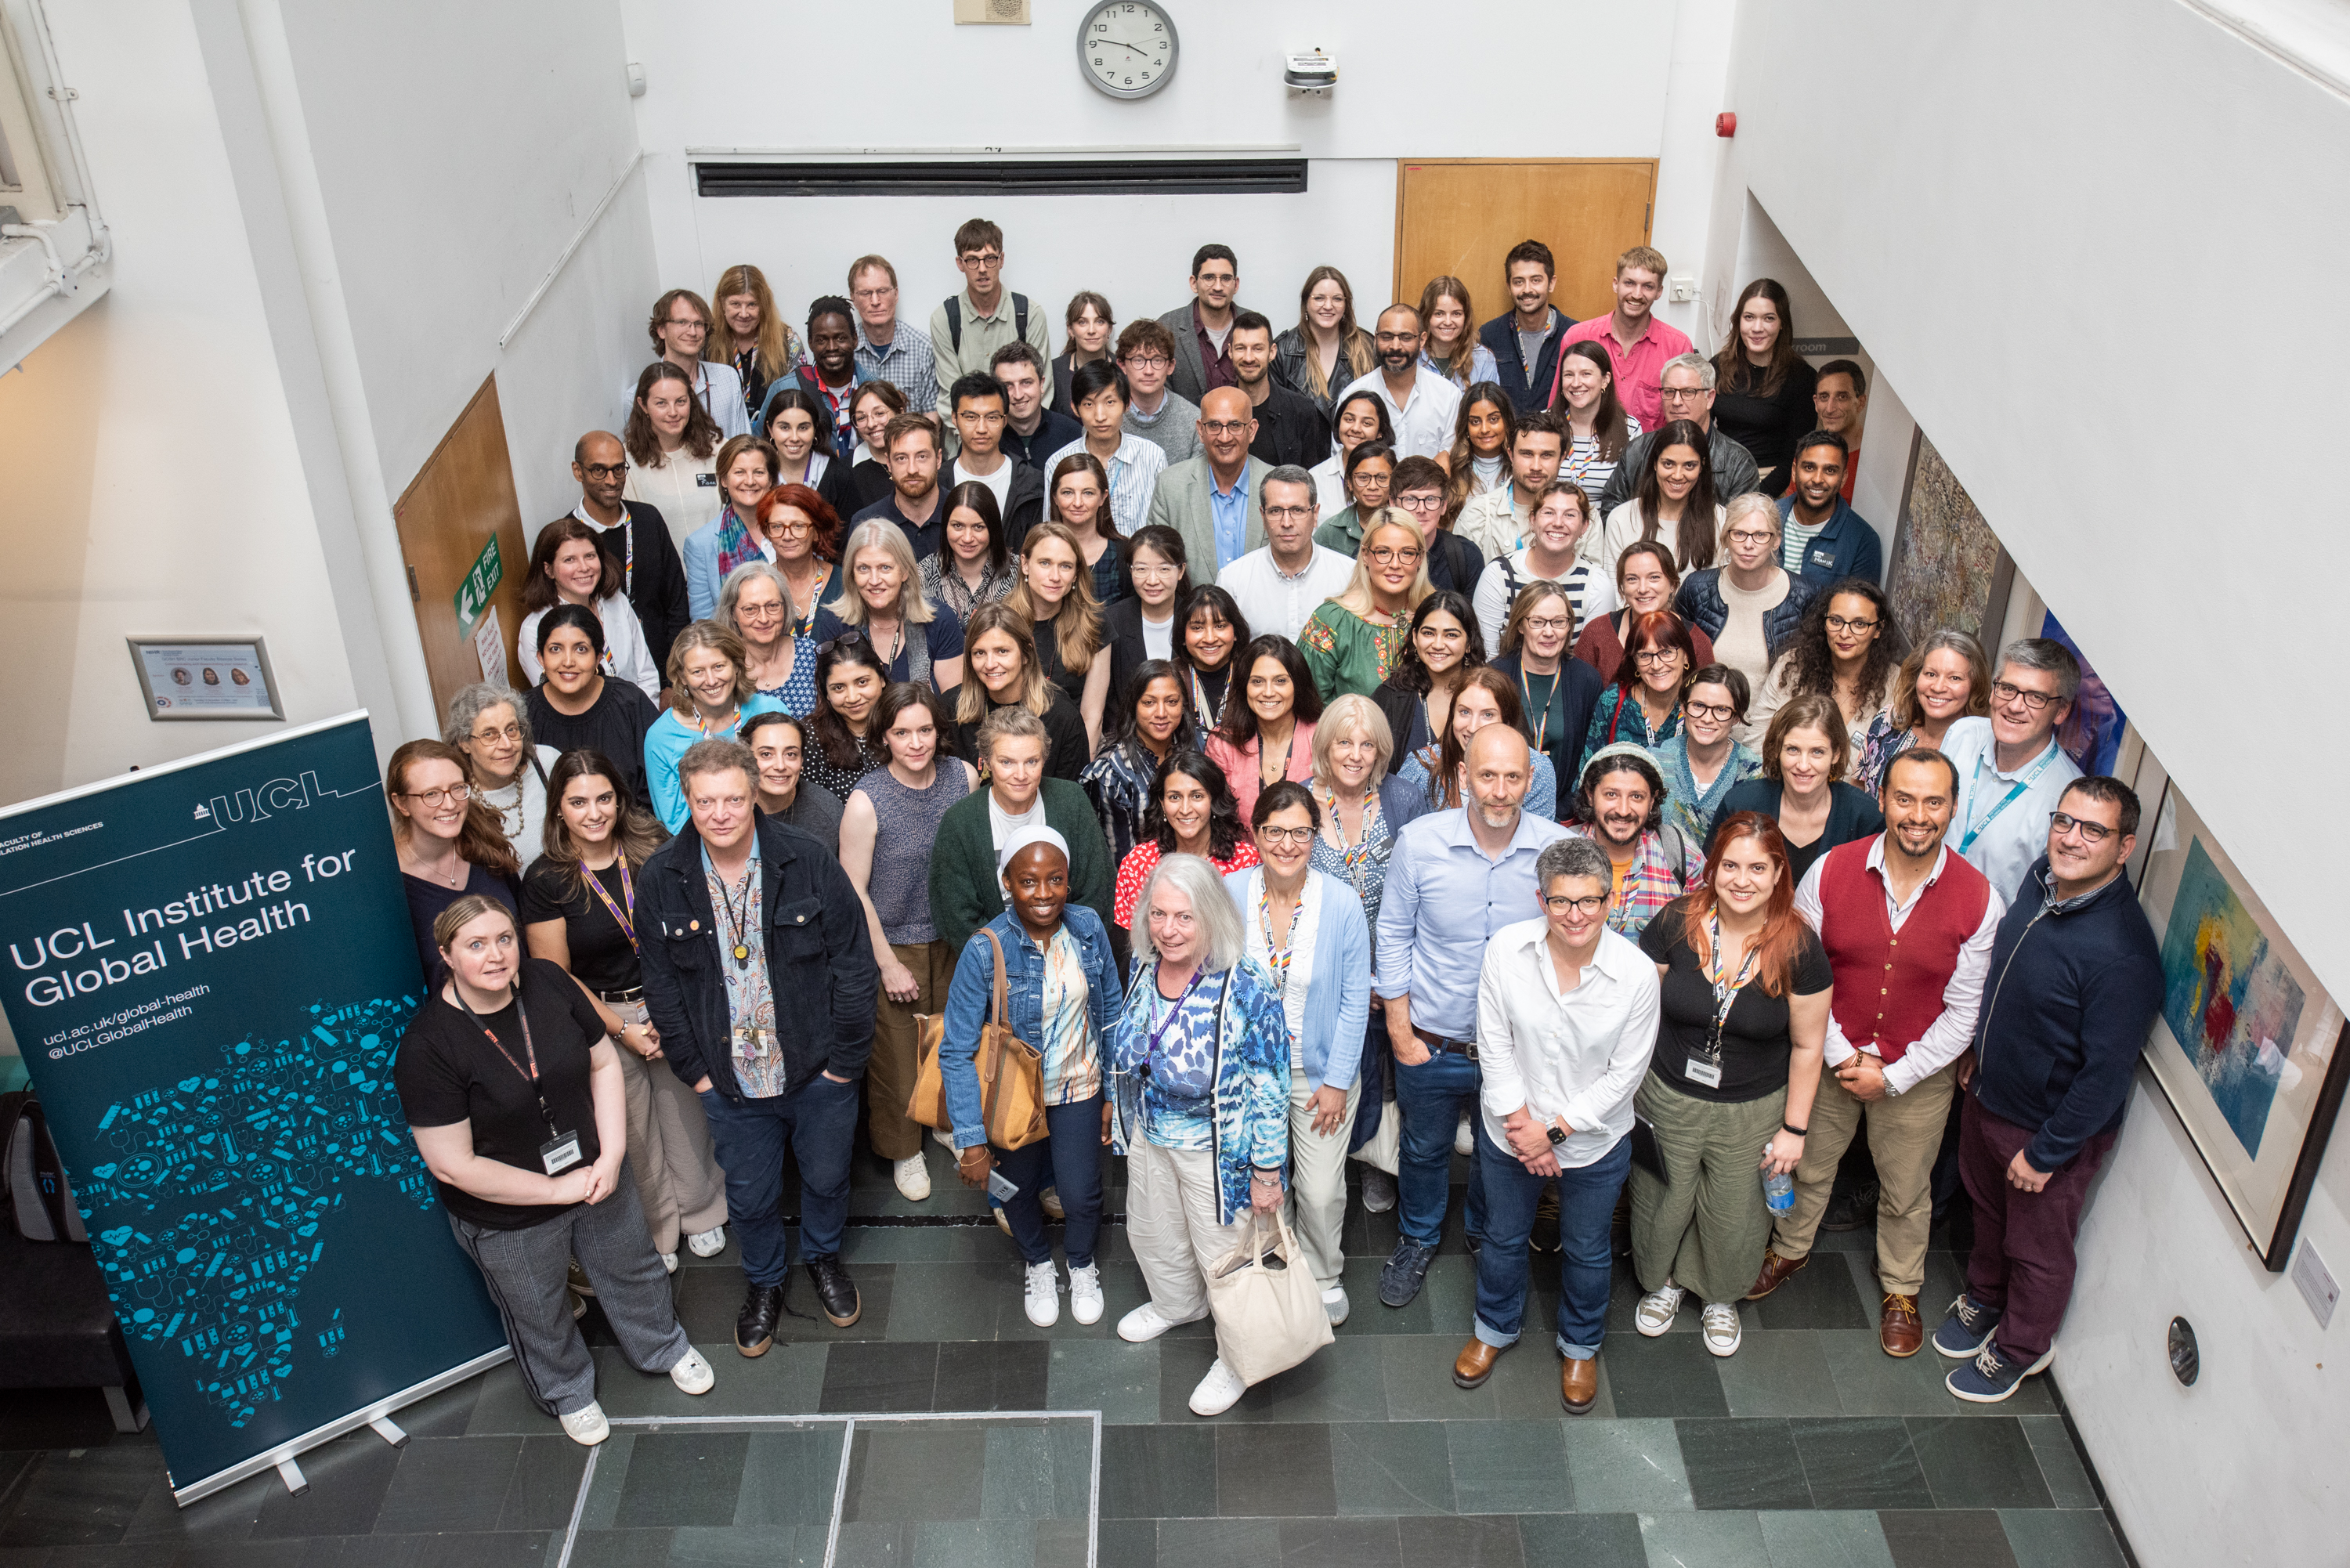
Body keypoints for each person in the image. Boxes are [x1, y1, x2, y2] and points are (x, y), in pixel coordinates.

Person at [396, 894, 712, 1447]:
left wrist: (611, 1155)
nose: (495, 956)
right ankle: (568, 1392)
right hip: (508, 1214)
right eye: (476, 945)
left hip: (596, 1175)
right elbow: (452, 1165)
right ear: (447, 955)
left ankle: (663, 1346)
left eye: (504, 939)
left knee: (634, 1268)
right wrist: (553, 1188)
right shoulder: (429, 1046)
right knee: (537, 1307)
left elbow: (602, 1061)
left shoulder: (548, 982)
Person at [1744, 748, 2003, 1357]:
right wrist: (1841, 1056)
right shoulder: (1829, 872)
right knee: (1807, 1166)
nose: (1919, 815)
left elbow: (1965, 1011)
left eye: (1934, 801)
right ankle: (1789, 1250)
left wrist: (1894, 1076)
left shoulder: (1980, 899)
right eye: (1906, 799)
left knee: (1907, 1189)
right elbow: (1802, 973)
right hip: (1828, 1057)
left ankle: (1901, 1287)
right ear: (1882, 798)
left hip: (1918, 1073)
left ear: (1952, 809)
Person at [637, 739, 878, 1349]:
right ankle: (766, 1281)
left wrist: (846, 1064)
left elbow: (853, 964)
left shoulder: (807, 859)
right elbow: (661, 984)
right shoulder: (663, 878)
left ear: (754, 797)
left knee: (826, 1179)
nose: (719, 813)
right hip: (728, 1081)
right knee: (750, 1196)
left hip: (817, 1070)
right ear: (686, 801)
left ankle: (823, 1259)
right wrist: (694, 1072)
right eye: (705, 801)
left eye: (732, 799)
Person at [1938, 777, 2157, 1402]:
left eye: (2094, 830)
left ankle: (2021, 1348)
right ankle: (1985, 1298)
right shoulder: (2042, 881)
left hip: (2043, 1130)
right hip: (1990, 1095)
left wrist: (2047, 1153)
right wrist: (1979, 1050)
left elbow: (2106, 1077)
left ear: (2125, 848)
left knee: (2036, 1249)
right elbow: (2010, 979)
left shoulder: (2122, 955)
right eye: (2065, 821)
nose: (2071, 838)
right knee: (1986, 1212)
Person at [1456, 836, 1657, 1410]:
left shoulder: (1637, 975)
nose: (1576, 916)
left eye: (1589, 902)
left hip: (1593, 1143)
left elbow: (1625, 1076)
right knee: (1502, 1237)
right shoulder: (1506, 950)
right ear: (1541, 900)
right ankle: (1494, 1328)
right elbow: (1493, 1044)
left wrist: (1556, 1133)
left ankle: (1580, 1345)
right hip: (1510, 1133)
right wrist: (1523, 1125)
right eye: (1562, 902)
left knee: (1588, 1249)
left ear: (1608, 901)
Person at [1374, 724, 1567, 1306]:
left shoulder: (1555, 850)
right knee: (1424, 1149)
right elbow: (1392, 933)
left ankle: (1488, 1236)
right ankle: (1418, 1237)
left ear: (1530, 780)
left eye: (1513, 777)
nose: (1501, 790)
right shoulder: (1419, 841)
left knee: (1498, 1154)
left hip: (1516, 1049)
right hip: (1431, 1040)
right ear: (1463, 778)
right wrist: (1399, 1030)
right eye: (1488, 775)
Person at [1628, 811, 1830, 1357]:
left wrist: (1795, 1128)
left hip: (1753, 1107)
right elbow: (1639, 1014)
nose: (1742, 880)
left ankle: (1718, 1295)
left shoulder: (1799, 949)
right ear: (1712, 869)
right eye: (1731, 866)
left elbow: (1810, 1047)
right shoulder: (1674, 924)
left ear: (1778, 874)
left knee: (1736, 1208)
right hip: (1668, 1094)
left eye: (1758, 868)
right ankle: (1664, 1282)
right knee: (1661, 1196)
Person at [522, 750, 730, 1272]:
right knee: (633, 1131)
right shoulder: (548, 879)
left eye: (604, 799)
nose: (593, 813)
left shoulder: (654, 850)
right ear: (558, 810)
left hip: (669, 1003)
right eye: (578, 802)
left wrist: (667, 1009)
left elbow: (693, 928)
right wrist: (622, 1029)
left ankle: (704, 1212)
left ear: (620, 800)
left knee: (687, 1117)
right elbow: (555, 973)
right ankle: (659, 1230)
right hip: (599, 1021)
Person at [1107, 850, 1295, 1416]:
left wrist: (1266, 1172)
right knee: (1155, 1232)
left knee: (1227, 1258)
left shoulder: (1245, 984)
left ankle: (1238, 1359)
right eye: (1159, 915)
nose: (1169, 929)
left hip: (1221, 1153)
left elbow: (1270, 1087)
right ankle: (1176, 1304)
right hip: (1152, 1136)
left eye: (1184, 917)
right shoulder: (1144, 964)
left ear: (1212, 916)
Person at [946, 826, 1124, 1326]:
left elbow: (1110, 1011)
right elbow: (956, 1052)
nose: (1043, 894)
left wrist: (1112, 1093)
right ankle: (1039, 1263)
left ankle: (1082, 1264)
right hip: (1012, 1098)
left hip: (1078, 1087)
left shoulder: (1088, 928)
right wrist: (972, 1141)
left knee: (1081, 1190)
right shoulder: (986, 949)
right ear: (1008, 882)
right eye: (1028, 881)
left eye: (1055, 880)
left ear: (1069, 882)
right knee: (1009, 1187)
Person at [1225, 782, 1372, 1323]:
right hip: (1247, 1072)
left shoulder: (1341, 902)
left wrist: (1337, 1081)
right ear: (1255, 834)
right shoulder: (1229, 890)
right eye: (1275, 831)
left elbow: (1357, 999)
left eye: (1301, 832)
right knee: (1257, 1177)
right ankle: (1273, 1259)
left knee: (1319, 1189)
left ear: (1316, 836)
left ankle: (1324, 1272)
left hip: (1319, 1075)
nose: (1287, 844)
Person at [837, 685, 978, 1202]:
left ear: (939, 731)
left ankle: (944, 1125)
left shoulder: (962, 777)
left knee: (952, 1045)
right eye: (902, 732)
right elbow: (853, 891)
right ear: (884, 737)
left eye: (925, 730)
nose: (915, 742)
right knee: (898, 1059)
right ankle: (904, 1150)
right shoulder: (867, 800)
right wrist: (887, 964)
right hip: (894, 942)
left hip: (954, 937)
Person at [1306, 695, 1429, 1214]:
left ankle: (1383, 1163)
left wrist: (1389, 978)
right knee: (1341, 1068)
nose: (1355, 754)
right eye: (1344, 742)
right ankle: (1345, 1155)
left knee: (1390, 1071)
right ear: (1324, 747)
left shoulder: (1401, 799)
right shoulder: (1298, 802)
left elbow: (1423, 894)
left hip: (1395, 968)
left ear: (1381, 749)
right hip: (1324, 973)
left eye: (1367, 743)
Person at [928, 706, 1117, 956]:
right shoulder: (960, 821)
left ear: (1044, 759)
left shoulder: (1071, 801)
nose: (1021, 775)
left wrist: (1064, 955)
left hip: (1070, 960)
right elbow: (955, 915)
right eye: (1007, 762)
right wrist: (1005, 963)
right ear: (986, 761)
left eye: (1031, 761)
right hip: (996, 969)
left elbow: (1097, 890)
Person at [1938, 638, 2084, 901]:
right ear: (1994, 691)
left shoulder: (2068, 798)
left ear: (2061, 711)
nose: (2015, 706)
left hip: (1984, 937)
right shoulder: (1963, 733)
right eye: (2008, 688)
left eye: (2036, 697)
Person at [1712, 695, 1887, 883]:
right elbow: (1711, 881)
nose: (1803, 765)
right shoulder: (1740, 804)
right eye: (1793, 749)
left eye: (1817, 752)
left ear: (1836, 754)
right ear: (1778, 749)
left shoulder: (1867, 818)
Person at [558, 431, 690, 675]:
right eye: (599, 470)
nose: (611, 480)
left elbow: (676, 600)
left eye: (619, 469)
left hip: (667, 666)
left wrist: (675, 677)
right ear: (578, 471)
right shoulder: (566, 540)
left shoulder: (648, 519)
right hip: (606, 676)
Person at [390, 739, 522, 982]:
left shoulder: (485, 843)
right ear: (401, 803)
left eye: (457, 788)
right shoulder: (389, 885)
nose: (450, 804)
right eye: (431, 794)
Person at [1672, 493, 1818, 704]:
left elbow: (1812, 675)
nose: (1748, 544)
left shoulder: (1805, 595)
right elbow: (1677, 664)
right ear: (1725, 537)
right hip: (1704, 724)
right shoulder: (1696, 589)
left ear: (1776, 541)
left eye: (1760, 535)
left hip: (1774, 730)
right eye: (1739, 533)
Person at [644, 622, 786, 832]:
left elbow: (793, 787)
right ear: (682, 677)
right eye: (697, 671)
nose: (711, 680)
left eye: (719, 666)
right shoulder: (661, 738)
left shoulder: (772, 713)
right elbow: (674, 827)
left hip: (778, 833)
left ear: (737, 666)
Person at [1748, 576, 1904, 761]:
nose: (1844, 634)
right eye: (1836, 621)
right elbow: (1755, 747)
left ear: (1878, 629)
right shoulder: (1791, 667)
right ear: (1824, 622)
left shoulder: (1897, 685)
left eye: (1859, 624)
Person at [1593, 353, 1763, 522]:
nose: (1676, 401)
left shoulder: (1738, 463)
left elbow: (1741, 531)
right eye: (1669, 392)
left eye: (1688, 392)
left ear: (1709, 398)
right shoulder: (1637, 450)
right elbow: (1612, 511)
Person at [526, 606, 663, 811]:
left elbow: (659, 787)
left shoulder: (630, 703)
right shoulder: (522, 714)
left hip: (631, 834)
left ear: (599, 656)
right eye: (555, 649)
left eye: (581, 649)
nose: (568, 662)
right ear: (540, 658)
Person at [1560, 744, 1706, 936]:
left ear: (1652, 801)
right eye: (1611, 795)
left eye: (1636, 797)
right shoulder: (1560, 853)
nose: (1623, 810)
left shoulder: (1683, 857)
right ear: (1590, 794)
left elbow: (1701, 941)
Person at [1112, 748, 1260, 929]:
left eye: (1197, 796)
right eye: (1174, 797)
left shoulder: (1247, 861)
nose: (1185, 809)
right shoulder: (1139, 863)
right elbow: (1135, 943)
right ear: (1162, 803)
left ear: (1213, 800)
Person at [812, 518, 966, 692]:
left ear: (905, 571)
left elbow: (952, 707)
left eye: (885, 567)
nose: (874, 580)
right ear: (851, 574)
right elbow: (830, 699)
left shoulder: (940, 620)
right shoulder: (836, 623)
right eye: (863, 568)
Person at [1083, 659, 1198, 886]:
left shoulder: (1197, 750)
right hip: (1139, 894)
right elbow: (1119, 866)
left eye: (1172, 702)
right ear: (1133, 706)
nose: (1161, 713)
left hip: (1197, 882)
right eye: (1149, 703)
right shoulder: (1112, 773)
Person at [1554, 245, 1693, 434]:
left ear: (1659, 292)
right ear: (1615, 284)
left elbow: (1684, 420)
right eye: (1629, 283)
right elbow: (1557, 408)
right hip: (1585, 457)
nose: (1637, 294)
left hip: (1649, 457)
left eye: (1648, 286)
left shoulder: (1678, 346)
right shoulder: (1578, 337)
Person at [1396, 664, 1560, 822]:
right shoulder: (1423, 767)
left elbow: (1538, 841)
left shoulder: (1536, 768)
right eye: (1465, 712)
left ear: (1507, 721)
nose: (1473, 727)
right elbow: (1402, 837)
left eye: (1487, 715)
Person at [518, 520, 663, 699]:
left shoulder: (617, 602)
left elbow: (646, 674)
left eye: (589, 556)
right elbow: (558, 701)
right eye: (570, 560)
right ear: (549, 570)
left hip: (639, 717)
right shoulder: (534, 630)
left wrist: (644, 721)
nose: (584, 567)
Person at [1491, 580, 1605, 806]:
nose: (1549, 632)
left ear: (1569, 626)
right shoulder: (1495, 676)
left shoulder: (1586, 680)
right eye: (1538, 622)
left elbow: (1592, 758)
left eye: (1558, 622)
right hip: (1501, 804)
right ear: (1521, 626)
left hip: (1565, 816)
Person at [1472, 479, 1617, 656]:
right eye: (1549, 513)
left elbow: (1590, 666)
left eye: (1570, 515)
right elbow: (1485, 656)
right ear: (1532, 520)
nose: (1558, 523)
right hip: (1503, 682)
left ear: (1584, 526)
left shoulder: (1597, 585)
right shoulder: (1499, 575)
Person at [1299, 514, 1430, 703]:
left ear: (1420, 559)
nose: (1395, 564)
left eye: (1407, 553)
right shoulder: (1331, 621)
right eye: (1383, 552)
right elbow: (1307, 706)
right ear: (1366, 555)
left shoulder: (1436, 618)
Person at [956, 601, 1090, 781]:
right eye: (979, 653)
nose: (990, 664)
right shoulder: (953, 710)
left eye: (1002, 651)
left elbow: (1073, 797)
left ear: (1026, 654)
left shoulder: (1062, 716)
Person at [1215, 465, 1351, 641]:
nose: (1287, 522)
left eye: (1297, 510)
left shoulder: (1349, 576)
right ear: (1263, 517)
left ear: (1315, 514)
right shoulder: (1233, 581)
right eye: (1276, 511)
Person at [1143, 386, 1269, 573]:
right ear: (1200, 431)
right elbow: (1156, 566)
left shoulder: (1276, 487)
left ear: (1252, 430)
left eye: (1235, 425)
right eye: (1214, 426)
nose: (1224, 437)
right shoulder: (1170, 487)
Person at [927, 218, 1054, 403]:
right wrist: (982, 430)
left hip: (1020, 429)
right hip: (965, 430)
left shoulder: (1030, 314)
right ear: (960, 263)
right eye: (972, 260)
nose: (982, 269)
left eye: (990, 259)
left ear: (1001, 260)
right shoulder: (944, 319)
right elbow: (951, 397)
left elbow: (1041, 392)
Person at [1010, 518, 1113, 746]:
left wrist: (1080, 775)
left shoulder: (1095, 623)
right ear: (1025, 564)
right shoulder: (1002, 621)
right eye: (1045, 563)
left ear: (1076, 573)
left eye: (1065, 566)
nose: (1055, 576)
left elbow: (1092, 716)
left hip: (1071, 748)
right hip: (1010, 751)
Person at [1709, 280, 1819, 494]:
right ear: (1738, 321)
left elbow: (1793, 459)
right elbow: (1701, 431)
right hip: (1717, 477)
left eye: (1768, 318)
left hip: (1768, 484)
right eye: (1749, 317)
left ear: (1782, 324)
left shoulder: (1801, 378)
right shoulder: (1719, 365)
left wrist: (1754, 498)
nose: (1756, 328)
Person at [1205, 634, 1322, 823]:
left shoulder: (1321, 738)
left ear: (1298, 685)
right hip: (1239, 851)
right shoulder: (1222, 743)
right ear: (1245, 687)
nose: (1268, 692)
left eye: (1280, 681)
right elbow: (1216, 820)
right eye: (1257, 681)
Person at [1856, 629, 1990, 793]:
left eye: (1955, 678)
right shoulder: (1887, 722)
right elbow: (1857, 793)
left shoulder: (1984, 753)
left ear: (1975, 685)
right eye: (1931, 674)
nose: (1938, 687)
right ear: (1916, 676)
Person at [1594, 417, 1726, 580]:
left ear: (1702, 466)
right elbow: (1616, 592)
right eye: (1668, 464)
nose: (1678, 476)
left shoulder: (1721, 520)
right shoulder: (1621, 519)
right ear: (1655, 463)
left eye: (1689, 465)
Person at [447, 684, 562, 869]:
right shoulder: (458, 798)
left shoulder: (547, 763)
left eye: (511, 729)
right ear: (464, 743)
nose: (506, 744)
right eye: (489, 734)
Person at [1574, 540, 1716, 685]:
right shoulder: (1597, 632)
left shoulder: (1696, 640)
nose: (1643, 588)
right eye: (1632, 579)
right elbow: (1577, 694)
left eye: (1654, 577)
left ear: (1672, 584)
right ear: (1622, 587)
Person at [1050, 361, 1166, 539]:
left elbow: (1163, 530)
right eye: (1089, 404)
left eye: (1110, 402)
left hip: (1139, 564)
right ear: (1075, 408)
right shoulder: (1057, 462)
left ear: (1127, 404)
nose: (1100, 416)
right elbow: (1051, 531)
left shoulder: (1152, 457)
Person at [1372, 588, 1484, 767]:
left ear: (1469, 643)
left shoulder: (1492, 694)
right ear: (1415, 638)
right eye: (1429, 633)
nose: (1438, 644)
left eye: (1451, 635)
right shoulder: (1390, 696)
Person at [1657, 665, 1763, 847]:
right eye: (1698, 706)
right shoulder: (1654, 759)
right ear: (1683, 707)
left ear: (1737, 717)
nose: (1707, 718)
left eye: (1721, 710)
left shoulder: (1753, 773)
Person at [623, 361, 725, 550]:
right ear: (643, 405)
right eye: (661, 403)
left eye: (681, 401)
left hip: (718, 571)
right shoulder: (627, 462)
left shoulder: (717, 448)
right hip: (663, 577)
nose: (673, 412)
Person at [624, 288, 749, 439]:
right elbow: (640, 454)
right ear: (662, 330)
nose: (693, 332)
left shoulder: (727, 378)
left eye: (698, 324)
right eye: (682, 322)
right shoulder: (637, 396)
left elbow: (744, 443)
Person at [1582, 610, 1697, 770]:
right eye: (1645, 656)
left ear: (1686, 656)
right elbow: (1588, 772)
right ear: (1634, 662)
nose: (1656, 665)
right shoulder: (1614, 700)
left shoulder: (1702, 703)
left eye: (1667, 652)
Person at [942, 373, 1046, 548]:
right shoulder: (939, 482)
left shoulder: (1031, 483)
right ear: (954, 419)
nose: (981, 429)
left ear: (1005, 420)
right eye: (970, 417)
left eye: (992, 418)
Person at [682, 435, 780, 621]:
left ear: (771, 480)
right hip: (731, 647)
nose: (750, 481)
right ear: (724, 480)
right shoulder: (699, 544)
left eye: (759, 472)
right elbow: (704, 623)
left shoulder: (792, 528)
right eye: (739, 472)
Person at [765, 298, 870, 466]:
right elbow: (762, 445)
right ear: (810, 343)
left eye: (840, 338)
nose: (832, 347)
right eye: (822, 340)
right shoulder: (784, 388)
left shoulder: (874, 389)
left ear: (855, 339)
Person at [1777, 431, 1883, 588]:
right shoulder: (1764, 517)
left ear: (1843, 478)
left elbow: (1857, 609)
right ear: (1794, 472)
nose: (1818, 479)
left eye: (1830, 471)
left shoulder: (1863, 541)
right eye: (1809, 467)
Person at [1452, 407, 1556, 564]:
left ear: (1562, 457)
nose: (1536, 466)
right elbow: (1461, 585)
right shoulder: (1477, 514)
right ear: (1511, 455)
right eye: (1527, 454)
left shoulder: (1580, 514)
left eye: (1546, 455)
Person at [1480, 240, 1574, 414]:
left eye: (1536, 280)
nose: (1527, 289)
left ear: (1551, 283)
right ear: (1509, 287)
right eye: (1518, 282)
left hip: (1557, 438)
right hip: (1505, 439)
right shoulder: (1488, 336)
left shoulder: (1575, 335)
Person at [1229, 310, 1331, 470]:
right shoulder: (1216, 409)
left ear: (1272, 352)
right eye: (1241, 348)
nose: (1248, 358)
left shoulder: (1302, 411)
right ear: (1230, 352)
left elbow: (1312, 477)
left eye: (1258, 349)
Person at [1274, 265, 1377, 418]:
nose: (1328, 306)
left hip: (1353, 441)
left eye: (1337, 299)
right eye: (1319, 298)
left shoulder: (1367, 346)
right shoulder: (1282, 350)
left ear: (1346, 305)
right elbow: (1275, 414)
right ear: (1306, 303)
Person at [1104, 525, 1191, 704]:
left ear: (1181, 570)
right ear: (1131, 570)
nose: (1152, 580)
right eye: (1142, 569)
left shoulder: (1195, 619)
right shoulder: (1112, 621)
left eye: (1164, 569)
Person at [719, 561, 818, 719]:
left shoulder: (811, 654)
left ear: (785, 607)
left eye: (772, 606)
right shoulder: (723, 666)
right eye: (750, 609)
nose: (764, 619)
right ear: (732, 614)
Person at [1365, 304, 1463, 461]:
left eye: (1406, 338)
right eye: (1386, 337)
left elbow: (1450, 462)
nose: (1395, 346)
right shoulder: (1355, 394)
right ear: (1376, 338)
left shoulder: (1448, 396)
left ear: (1422, 340)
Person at [1551, 339, 1640, 511]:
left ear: (1605, 380)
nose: (1576, 383)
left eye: (1586, 374)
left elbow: (1633, 498)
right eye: (1569, 375)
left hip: (1606, 530)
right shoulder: (1543, 425)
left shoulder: (1630, 429)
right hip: (1552, 529)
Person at [851, 413, 949, 563]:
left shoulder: (965, 515)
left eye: (921, 456)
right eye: (901, 458)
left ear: (938, 459)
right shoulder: (865, 523)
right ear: (889, 463)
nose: (912, 469)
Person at [803, 638, 892, 802]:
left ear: (881, 677)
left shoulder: (903, 720)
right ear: (826, 693)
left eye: (862, 682)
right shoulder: (810, 737)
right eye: (839, 688)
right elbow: (809, 810)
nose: (852, 698)